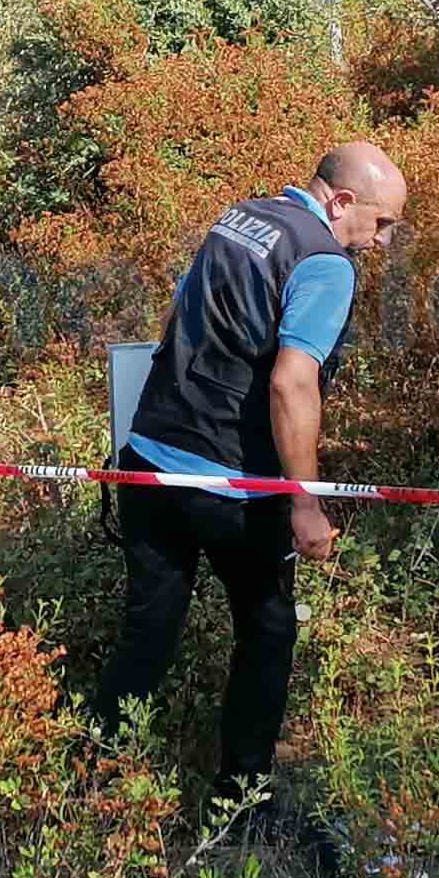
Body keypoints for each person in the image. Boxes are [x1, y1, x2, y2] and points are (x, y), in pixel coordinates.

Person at [95, 143, 407, 809]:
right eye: (381, 224)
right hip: (232, 481)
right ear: (341, 201)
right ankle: (237, 802)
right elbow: (292, 384)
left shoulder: (241, 216)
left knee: (147, 632)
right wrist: (305, 503)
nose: (381, 243)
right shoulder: (326, 262)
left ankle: (95, 783)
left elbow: (176, 320)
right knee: (267, 633)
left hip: (150, 458)